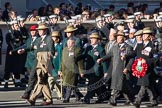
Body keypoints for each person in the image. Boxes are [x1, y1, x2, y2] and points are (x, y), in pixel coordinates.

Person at [97, 31, 134, 106]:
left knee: (118, 85)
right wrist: (102, 59)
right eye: (117, 37)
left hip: (123, 69)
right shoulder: (114, 47)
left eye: (120, 37)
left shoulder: (128, 47)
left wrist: (127, 67)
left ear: (124, 38)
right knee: (123, 86)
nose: (119, 39)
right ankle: (130, 99)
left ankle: (113, 100)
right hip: (115, 69)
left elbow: (131, 58)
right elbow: (109, 55)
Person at [27, 23, 54, 106]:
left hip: (45, 63)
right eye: (38, 30)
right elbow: (32, 47)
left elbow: (51, 51)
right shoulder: (38, 40)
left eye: (41, 30)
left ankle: (32, 98)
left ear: (45, 30)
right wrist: (24, 50)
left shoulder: (49, 39)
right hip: (38, 62)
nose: (39, 31)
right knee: (43, 81)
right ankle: (49, 99)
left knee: (41, 80)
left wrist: (46, 60)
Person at [131, 28, 158, 108]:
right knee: (147, 85)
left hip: (148, 69)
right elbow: (133, 53)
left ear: (149, 36)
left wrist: (146, 61)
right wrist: (125, 55)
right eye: (142, 35)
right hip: (140, 68)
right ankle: (154, 100)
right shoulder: (140, 45)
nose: (143, 36)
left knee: (144, 85)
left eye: (145, 35)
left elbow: (156, 58)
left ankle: (137, 101)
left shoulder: (152, 45)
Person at [82, 32, 107, 104]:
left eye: (93, 39)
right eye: (91, 39)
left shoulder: (100, 49)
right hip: (89, 70)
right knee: (97, 86)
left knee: (91, 85)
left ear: (98, 40)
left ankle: (87, 98)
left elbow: (104, 61)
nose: (91, 40)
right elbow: (83, 57)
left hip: (97, 71)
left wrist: (105, 71)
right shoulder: (88, 48)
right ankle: (101, 97)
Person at [58, 37, 84, 103]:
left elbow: (80, 62)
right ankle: (78, 96)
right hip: (64, 70)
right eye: (68, 42)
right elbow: (62, 60)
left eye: (71, 42)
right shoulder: (64, 50)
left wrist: (81, 71)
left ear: (74, 43)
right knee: (73, 85)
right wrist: (60, 69)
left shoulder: (77, 50)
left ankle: (67, 98)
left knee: (69, 84)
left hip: (72, 70)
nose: (69, 44)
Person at [18, 25, 39, 100]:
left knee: (31, 78)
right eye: (31, 31)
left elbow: (31, 48)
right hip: (29, 62)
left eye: (34, 31)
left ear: (36, 31)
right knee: (35, 79)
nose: (32, 32)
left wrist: (24, 49)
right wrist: (16, 50)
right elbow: (24, 46)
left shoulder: (39, 40)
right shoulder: (29, 39)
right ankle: (40, 93)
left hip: (35, 61)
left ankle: (27, 93)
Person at [48, 31, 63, 99]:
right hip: (51, 66)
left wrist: (60, 69)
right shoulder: (51, 47)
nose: (53, 38)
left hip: (56, 67)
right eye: (52, 37)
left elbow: (60, 59)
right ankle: (60, 95)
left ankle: (47, 95)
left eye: (54, 37)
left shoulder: (59, 47)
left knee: (51, 81)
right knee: (55, 83)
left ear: (58, 39)